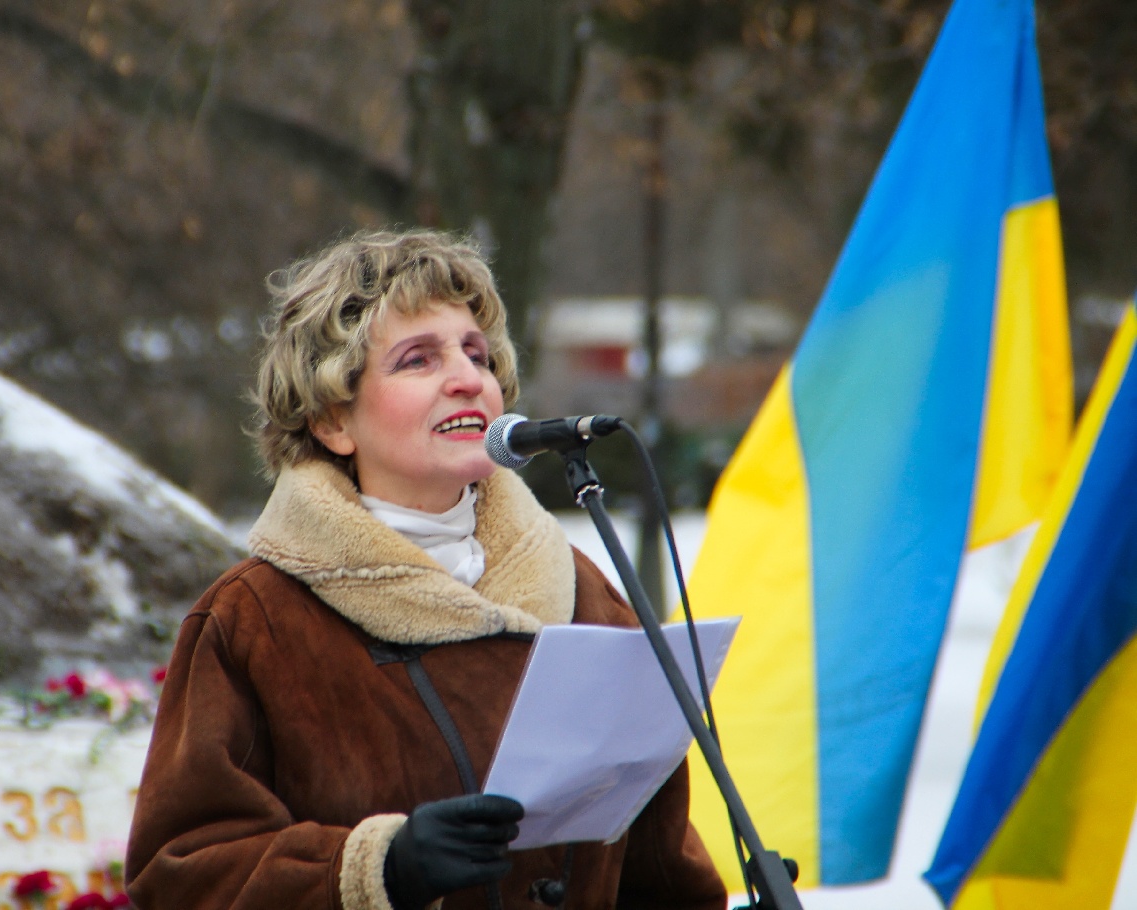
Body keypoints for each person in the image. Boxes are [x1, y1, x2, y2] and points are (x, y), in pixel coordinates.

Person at [124, 229, 726, 910]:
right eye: (418, 359)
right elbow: (179, 873)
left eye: (477, 354)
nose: (468, 378)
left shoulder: (581, 588)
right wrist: (376, 869)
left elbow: (663, 869)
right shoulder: (252, 620)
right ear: (332, 420)